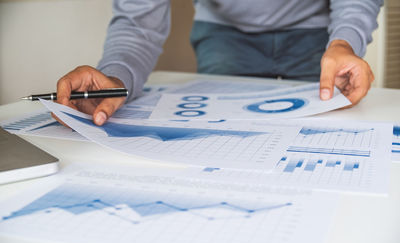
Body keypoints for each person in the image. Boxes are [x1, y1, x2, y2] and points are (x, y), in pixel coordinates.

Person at [56, 0, 383, 126]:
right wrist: (115, 77)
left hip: (318, 31)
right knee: (225, 134)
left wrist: (344, 42)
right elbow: (139, 22)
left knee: (327, 129)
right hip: (224, 34)